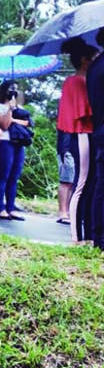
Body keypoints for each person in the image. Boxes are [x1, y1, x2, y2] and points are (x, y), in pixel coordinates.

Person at [56, 39, 97, 239]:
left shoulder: (84, 81)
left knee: (90, 184)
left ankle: (88, 233)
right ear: (85, 60)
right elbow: (84, 111)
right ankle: (76, 236)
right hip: (81, 134)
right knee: (80, 183)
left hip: (87, 135)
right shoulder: (76, 82)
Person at [0, 80, 29, 221]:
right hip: (5, 143)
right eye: (11, 88)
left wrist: (14, 118)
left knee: (14, 176)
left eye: (16, 89)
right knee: (3, 175)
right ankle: (1, 208)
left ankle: (11, 208)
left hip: (18, 142)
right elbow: (4, 125)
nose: (14, 91)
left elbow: (27, 123)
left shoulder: (19, 106)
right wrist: (10, 110)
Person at [87, 28, 104, 250]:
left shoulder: (94, 67)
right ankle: (100, 238)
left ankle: (98, 236)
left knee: (101, 185)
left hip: (100, 131)